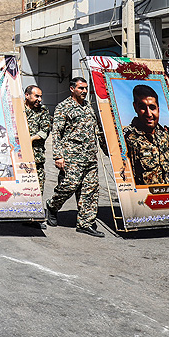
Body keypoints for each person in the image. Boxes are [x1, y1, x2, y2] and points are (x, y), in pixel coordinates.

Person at [46, 77, 106, 237]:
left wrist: (107, 149)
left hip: (90, 156)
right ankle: (52, 206)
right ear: (72, 89)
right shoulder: (63, 107)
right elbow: (56, 133)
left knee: (90, 190)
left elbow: (97, 129)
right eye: (81, 88)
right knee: (69, 186)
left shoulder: (88, 106)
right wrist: (58, 156)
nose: (84, 91)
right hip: (71, 157)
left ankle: (85, 223)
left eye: (86, 88)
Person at [122, 84, 169, 186]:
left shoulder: (166, 136)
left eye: (152, 108)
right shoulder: (126, 138)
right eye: (142, 107)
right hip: (144, 194)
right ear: (135, 107)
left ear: (158, 109)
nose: (149, 114)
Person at [24, 84, 50, 229]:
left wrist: (30, 139)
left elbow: (45, 130)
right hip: (18, 156)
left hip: (36, 156)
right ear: (27, 95)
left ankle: (34, 217)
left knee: (37, 187)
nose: (39, 99)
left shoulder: (43, 111)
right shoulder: (17, 109)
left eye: (40, 96)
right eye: (36, 96)